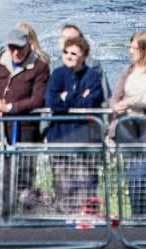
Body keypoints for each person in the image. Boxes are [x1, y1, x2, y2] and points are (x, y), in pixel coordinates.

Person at [0, 26, 49, 216]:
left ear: (27, 46)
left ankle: (25, 220)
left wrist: (9, 107)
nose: (15, 52)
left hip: (25, 131)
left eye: (19, 48)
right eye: (11, 48)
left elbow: (38, 99)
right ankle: (4, 220)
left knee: (24, 178)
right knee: (2, 178)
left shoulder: (39, 66)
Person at [44, 28, 105, 213]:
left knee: (85, 187)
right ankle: (64, 227)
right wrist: (75, 96)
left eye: (74, 53)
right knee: (63, 188)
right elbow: (52, 102)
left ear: (83, 56)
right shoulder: (57, 74)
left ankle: (86, 227)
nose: (69, 56)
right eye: (66, 52)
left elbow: (91, 101)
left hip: (84, 140)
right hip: (60, 139)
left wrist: (66, 98)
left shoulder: (92, 76)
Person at [109, 31, 146, 219]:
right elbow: (115, 97)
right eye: (130, 47)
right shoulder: (128, 70)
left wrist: (133, 104)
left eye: (135, 48)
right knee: (132, 174)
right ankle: (141, 217)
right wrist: (116, 106)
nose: (131, 52)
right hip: (127, 128)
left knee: (142, 174)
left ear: (145, 49)